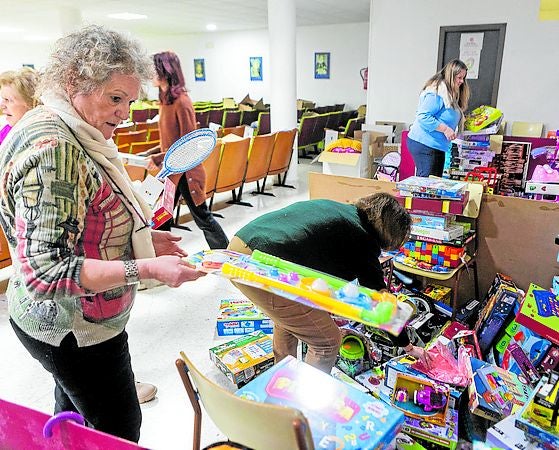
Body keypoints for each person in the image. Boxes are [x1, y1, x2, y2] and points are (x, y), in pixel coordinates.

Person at [0, 26, 205, 443]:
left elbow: (80, 222)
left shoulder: (66, 124)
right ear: (75, 82)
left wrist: (136, 239)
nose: (125, 113)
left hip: (58, 326)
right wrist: (145, 265)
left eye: (130, 101)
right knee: (118, 429)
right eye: (115, 99)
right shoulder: (55, 149)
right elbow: (46, 272)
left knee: (73, 413)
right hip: (71, 329)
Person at [227, 193, 422, 374]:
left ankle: (282, 383)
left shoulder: (343, 212)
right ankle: (305, 407)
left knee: (290, 321)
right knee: (327, 341)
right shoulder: (363, 240)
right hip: (260, 264)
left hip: (240, 245)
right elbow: (384, 308)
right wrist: (408, 347)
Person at [146, 51, 229, 249]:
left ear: (165, 71)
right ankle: (163, 258)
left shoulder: (181, 102)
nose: (149, 73)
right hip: (173, 171)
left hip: (187, 172)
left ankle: (227, 254)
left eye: (153, 69)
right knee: (162, 218)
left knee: (202, 218)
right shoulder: (166, 101)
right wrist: (155, 155)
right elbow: (170, 142)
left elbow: (188, 145)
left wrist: (159, 159)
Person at [407, 59, 470, 177]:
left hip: (436, 145)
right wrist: (445, 129)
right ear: (451, 76)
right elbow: (423, 116)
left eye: (463, 78)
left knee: (435, 183)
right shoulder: (436, 92)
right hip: (424, 143)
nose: (462, 81)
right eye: (459, 77)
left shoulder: (451, 93)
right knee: (427, 184)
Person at [0, 67, 40, 144]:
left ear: (31, 103)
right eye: (3, 99)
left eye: (8, 100)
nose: (2, 105)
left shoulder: (33, 137)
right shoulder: (7, 129)